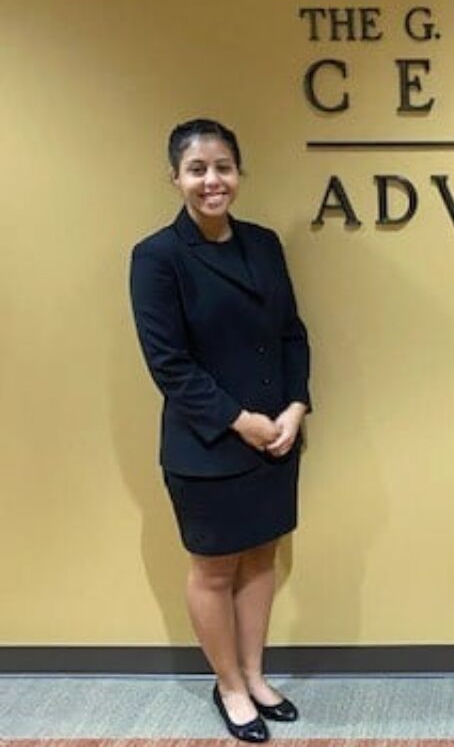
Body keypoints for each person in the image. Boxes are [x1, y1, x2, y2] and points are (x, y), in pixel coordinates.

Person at [130, 118, 311, 743]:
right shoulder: (157, 257)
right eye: (198, 169)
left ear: (239, 172)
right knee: (213, 569)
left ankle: (256, 675)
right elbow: (169, 364)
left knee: (260, 559)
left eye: (223, 167)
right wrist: (242, 422)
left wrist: (295, 407)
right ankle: (229, 687)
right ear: (176, 177)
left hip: (276, 438)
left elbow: (291, 332)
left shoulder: (263, 244)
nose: (213, 180)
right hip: (207, 445)